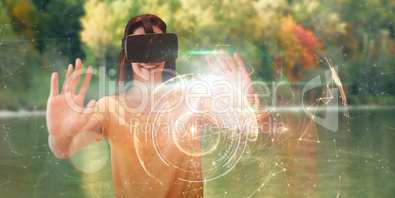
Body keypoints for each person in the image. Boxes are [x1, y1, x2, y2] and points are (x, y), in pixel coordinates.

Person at [46, 14, 254, 198]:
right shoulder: (108, 108)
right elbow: (63, 151)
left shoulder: (192, 99)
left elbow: (244, 126)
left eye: (157, 47)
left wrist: (245, 100)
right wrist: (60, 134)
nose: (149, 58)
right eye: (139, 48)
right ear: (127, 53)